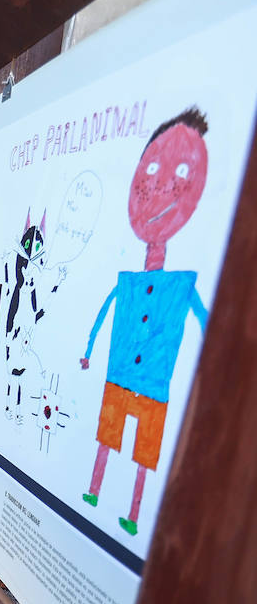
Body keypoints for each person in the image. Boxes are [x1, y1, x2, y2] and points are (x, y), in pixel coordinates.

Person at [80, 109, 210, 535]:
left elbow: (206, 323)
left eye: (181, 171)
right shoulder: (130, 284)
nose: (161, 184)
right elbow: (103, 314)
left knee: (143, 453)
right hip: (120, 374)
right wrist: (88, 351)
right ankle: (95, 488)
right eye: (152, 167)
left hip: (154, 383)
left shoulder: (179, 286)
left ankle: (133, 514)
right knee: (108, 438)